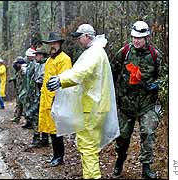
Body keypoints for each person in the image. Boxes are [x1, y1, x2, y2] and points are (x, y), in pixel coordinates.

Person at [46, 23, 120, 179]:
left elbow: (81, 72)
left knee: (88, 148)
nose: (78, 40)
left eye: (79, 37)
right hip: (96, 106)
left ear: (87, 36)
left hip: (92, 107)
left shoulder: (94, 53)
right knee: (89, 147)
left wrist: (61, 79)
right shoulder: (97, 52)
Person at [110, 21, 163, 179]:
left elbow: (165, 76)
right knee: (122, 138)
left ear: (147, 37)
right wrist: (112, 93)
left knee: (148, 133)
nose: (136, 41)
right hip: (126, 104)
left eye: (139, 38)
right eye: (134, 37)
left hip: (147, 104)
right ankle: (120, 161)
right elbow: (112, 71)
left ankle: (146, 168)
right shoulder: (124, 52)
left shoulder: (155, 55)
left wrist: (156, 84)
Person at [38, 32, 72, 167]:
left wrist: (58, 99)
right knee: (51, 129)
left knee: (57, 130)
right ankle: (55, 155)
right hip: (47, 99)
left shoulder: (64, 59)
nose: (52, 46)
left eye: (54, 43)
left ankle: (59, 156)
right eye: (50, 44)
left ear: (59, 43)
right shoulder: (49, 60)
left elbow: (65, 79)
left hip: (57, 99)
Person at [28, 47, 49, 148]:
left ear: (41, 55)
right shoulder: (37, 65)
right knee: (36, 116)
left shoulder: (46, 65)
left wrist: (38, 82)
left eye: (37, 55)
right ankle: (39, 138)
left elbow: (43, 78)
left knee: (40, 116)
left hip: (44, 94)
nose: (35, 56)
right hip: (37, 94)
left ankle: (42, 139)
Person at [20, 47, 37, 129]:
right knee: (27, 105)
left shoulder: (35, 64)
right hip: (28, 88)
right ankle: (29, 121)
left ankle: (32, 122)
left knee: (32, 106)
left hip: (32, 88)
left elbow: (33, 76)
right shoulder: (30, 64)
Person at [9, 56, 27, 122]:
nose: (15, 65)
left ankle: (26, 119)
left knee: (24, 105)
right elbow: (17, 78)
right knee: (18, 104)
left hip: (23, 91)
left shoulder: (23, 69)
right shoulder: (18, 71)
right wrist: (13, 79)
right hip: (19, 90)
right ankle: (17, 118)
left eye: (17, 63)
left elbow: (25, 80)